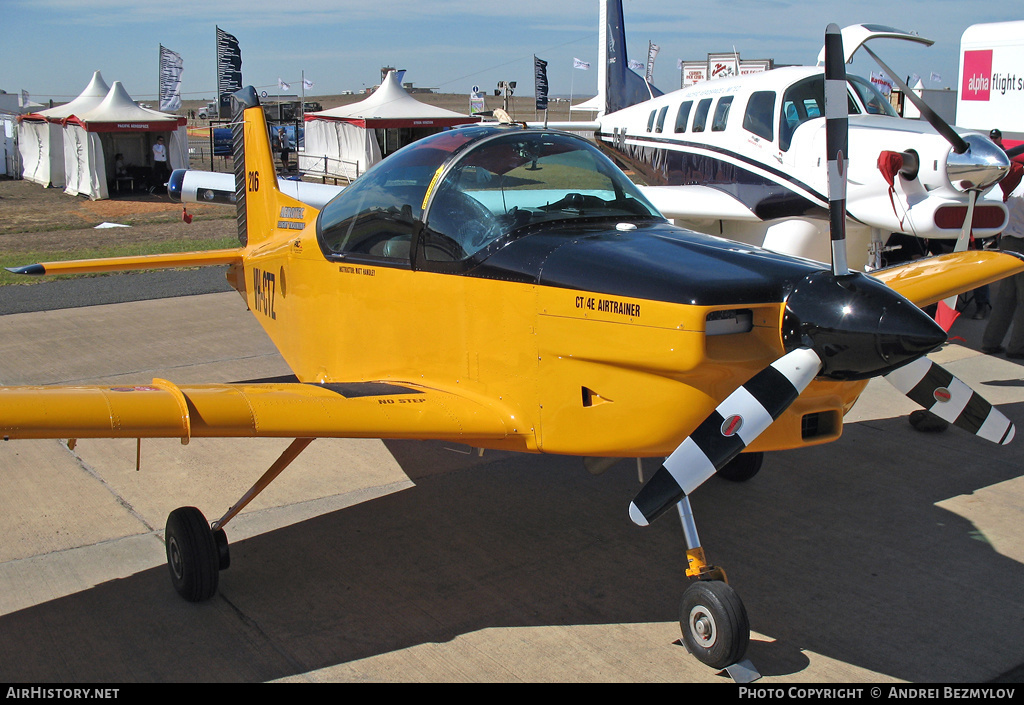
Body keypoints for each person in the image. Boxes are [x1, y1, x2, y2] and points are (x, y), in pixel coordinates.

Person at [981, 165, 1024, 357]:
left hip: (1007, 242)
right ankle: (1018, 347)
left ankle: (991, 341)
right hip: (1021, 242)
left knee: (1006, 297)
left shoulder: (1012, 184)